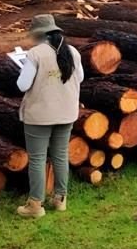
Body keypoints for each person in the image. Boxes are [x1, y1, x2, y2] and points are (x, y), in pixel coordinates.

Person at [14, 14, 84, 218]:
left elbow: (22, 85)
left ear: (38, 34)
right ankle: (60, 199)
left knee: (37, 158)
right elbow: (79, 78)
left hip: (39, 115)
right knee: (60, 155)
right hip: (67, 113)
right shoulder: (72, 52)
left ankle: (35, 204)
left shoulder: (35, 54)